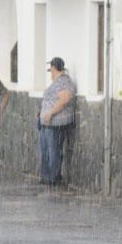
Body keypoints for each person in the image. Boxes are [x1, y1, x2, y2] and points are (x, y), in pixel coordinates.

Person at [39, 57, 77, 186]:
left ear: (54, 68)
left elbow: (64, 99)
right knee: (46, 151)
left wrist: (50, 113)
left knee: (53, 150)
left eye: (51, 70)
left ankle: (53, 177)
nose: (50, 73)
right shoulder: (57, 82)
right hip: (47, 122)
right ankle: (46, 176)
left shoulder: (64, 82)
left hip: (55, 123)